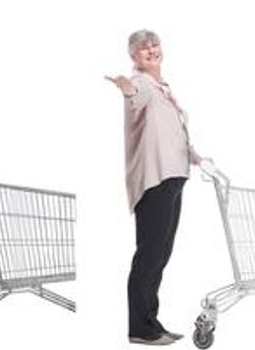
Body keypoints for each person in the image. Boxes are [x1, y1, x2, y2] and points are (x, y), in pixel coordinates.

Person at [103, 29, 207, 346]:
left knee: (161, 255)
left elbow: (168, 130)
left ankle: (152, 322)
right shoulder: (142, 84)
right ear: (133, 56)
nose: (151, 50)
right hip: (155, 179)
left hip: (175, 176)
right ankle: (140, 329)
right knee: (149, 255)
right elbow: (136, 102)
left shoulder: (162, 87)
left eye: (154, 44)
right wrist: (126, 90)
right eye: (142, 47)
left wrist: (193, 154)